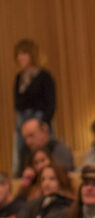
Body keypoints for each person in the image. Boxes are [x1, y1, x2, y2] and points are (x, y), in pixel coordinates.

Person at [13, 39, 56, 178]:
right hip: (22, 117)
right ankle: (21, 175)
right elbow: (17, 102)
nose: (20, 57)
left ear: (32, 54)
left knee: (43, 148)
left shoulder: (44, 76)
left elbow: (51, 101)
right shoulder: (20, 77)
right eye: (18, 54)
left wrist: (44, 121)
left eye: (24, 53)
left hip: (39, 117)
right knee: (21, 149)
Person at [5, 164, 74, 218]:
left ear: (62, 180)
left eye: (52, 179)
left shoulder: (67, 207)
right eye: (43, 179)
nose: (46, 183)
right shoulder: (33, 204)